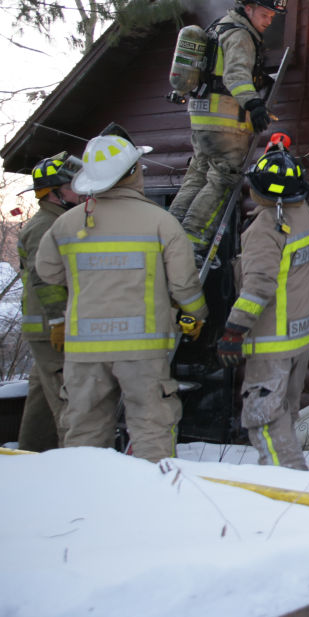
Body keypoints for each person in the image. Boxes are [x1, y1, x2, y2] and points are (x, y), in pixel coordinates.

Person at [35, 127, 207, 462]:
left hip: (84, 350)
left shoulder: (67, 224)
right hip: (142, 351)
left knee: (83, 434)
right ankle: (149, 503)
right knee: (152, 431)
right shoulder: (161, 222)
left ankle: (86, 506)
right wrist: (195, 315)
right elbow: (184, 284)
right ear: (132, 172)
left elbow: (48, 273)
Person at [217, 138, 309, 470]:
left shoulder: (265, 228)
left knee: (265, 420)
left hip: (271, 340)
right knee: (285, 412)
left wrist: (234, 330)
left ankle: (287, 483)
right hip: (299, 336)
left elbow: (258, 286)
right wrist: (278, 155)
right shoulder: (304, 216)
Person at [169, 0, 287, 261]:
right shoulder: (240, 35)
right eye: (264, 15)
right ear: (248, 8)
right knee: (223, 179)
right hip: (224, 121)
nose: (268, 21)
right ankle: (191, 243)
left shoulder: (219, 26)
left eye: (272, 17)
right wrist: (254, 104)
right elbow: (235, 75)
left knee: (197, 177)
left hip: (201, 117)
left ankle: (170, 235)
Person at [15, 154, 81, 451]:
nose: (80, 191)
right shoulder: (46, 227)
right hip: (50, 328)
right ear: (54, 193)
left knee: (42, 400)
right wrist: (59, 321)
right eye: (73, 185)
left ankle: (31, 454)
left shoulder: (57, 221)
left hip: (47, 327)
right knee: (67, 403)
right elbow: (46, 279)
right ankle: (73, 463)